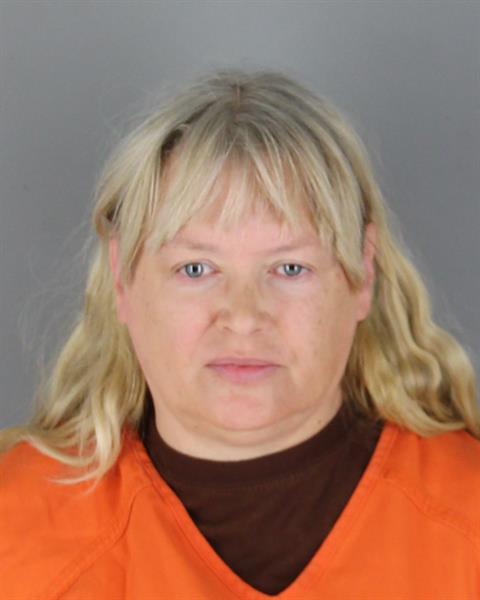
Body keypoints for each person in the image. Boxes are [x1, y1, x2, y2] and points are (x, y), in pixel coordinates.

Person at [1, 68, 479, 599]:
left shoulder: (468, 519)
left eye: (290, 268)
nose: (245, 316)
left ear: (362, 275)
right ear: (121, 279)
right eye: (196, 269)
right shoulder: (13, 533)